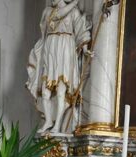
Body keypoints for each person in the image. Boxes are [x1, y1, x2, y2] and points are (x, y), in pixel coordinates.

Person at [27, 0, 92, 134]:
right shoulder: (48, 11)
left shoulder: (74, 12)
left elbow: (81, 30)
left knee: (61, 91)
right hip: (50, 49)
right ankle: (48, 121)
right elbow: (53, 19)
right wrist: (74, 3)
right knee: (45, 92)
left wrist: (85, 49)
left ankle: (57, 125)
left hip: (65, 49)